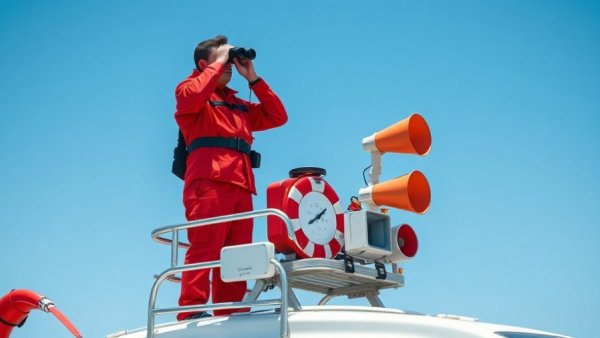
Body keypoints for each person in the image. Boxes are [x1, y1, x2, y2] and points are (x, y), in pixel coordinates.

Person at [174, 35, 288, 320]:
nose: (228, 66)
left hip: (240, 185)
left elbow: (277, 116)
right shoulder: (190, 91)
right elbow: (191, 97)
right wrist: (218, 65)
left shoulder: (238, 104)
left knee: (238, 257)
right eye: (222, 59)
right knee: (204, 247)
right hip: (208, 183)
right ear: (204, 64)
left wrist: (253, 78)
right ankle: (192, 311)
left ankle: (233, 314)